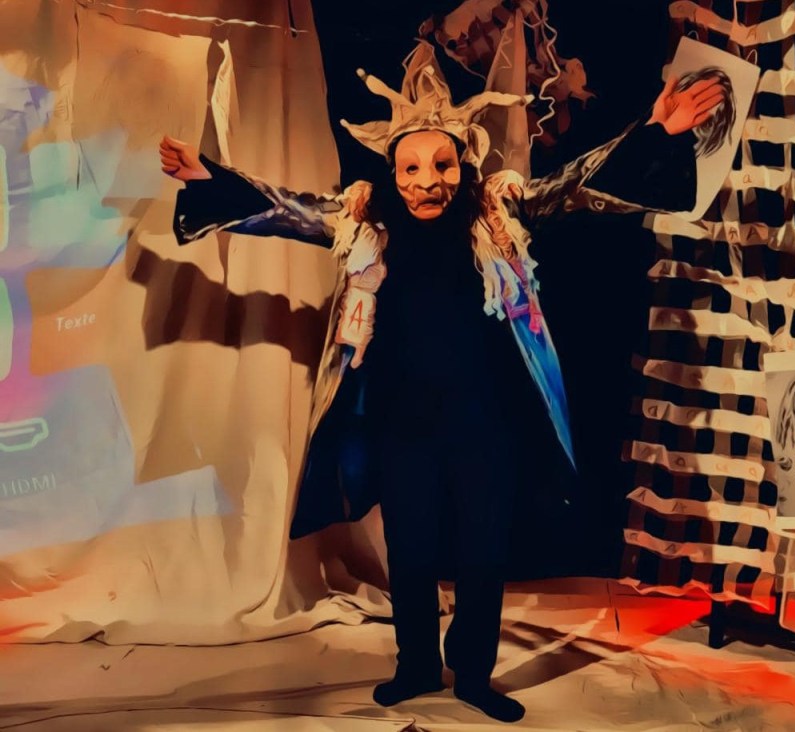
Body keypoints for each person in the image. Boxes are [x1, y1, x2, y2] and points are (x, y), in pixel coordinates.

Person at [160, 42, 723, 723]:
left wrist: (655, 132)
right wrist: (207, 176)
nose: (427, 181)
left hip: (485, 427)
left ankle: (474, 675)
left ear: (464, 163)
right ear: (392, 171)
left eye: (442, 165)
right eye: (411, 168)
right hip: (403, 426)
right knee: (412, 553)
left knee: (484, 553)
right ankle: (418, 665)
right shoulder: (368, 225)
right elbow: (290, 211)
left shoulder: (494, 216)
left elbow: (574, 187)